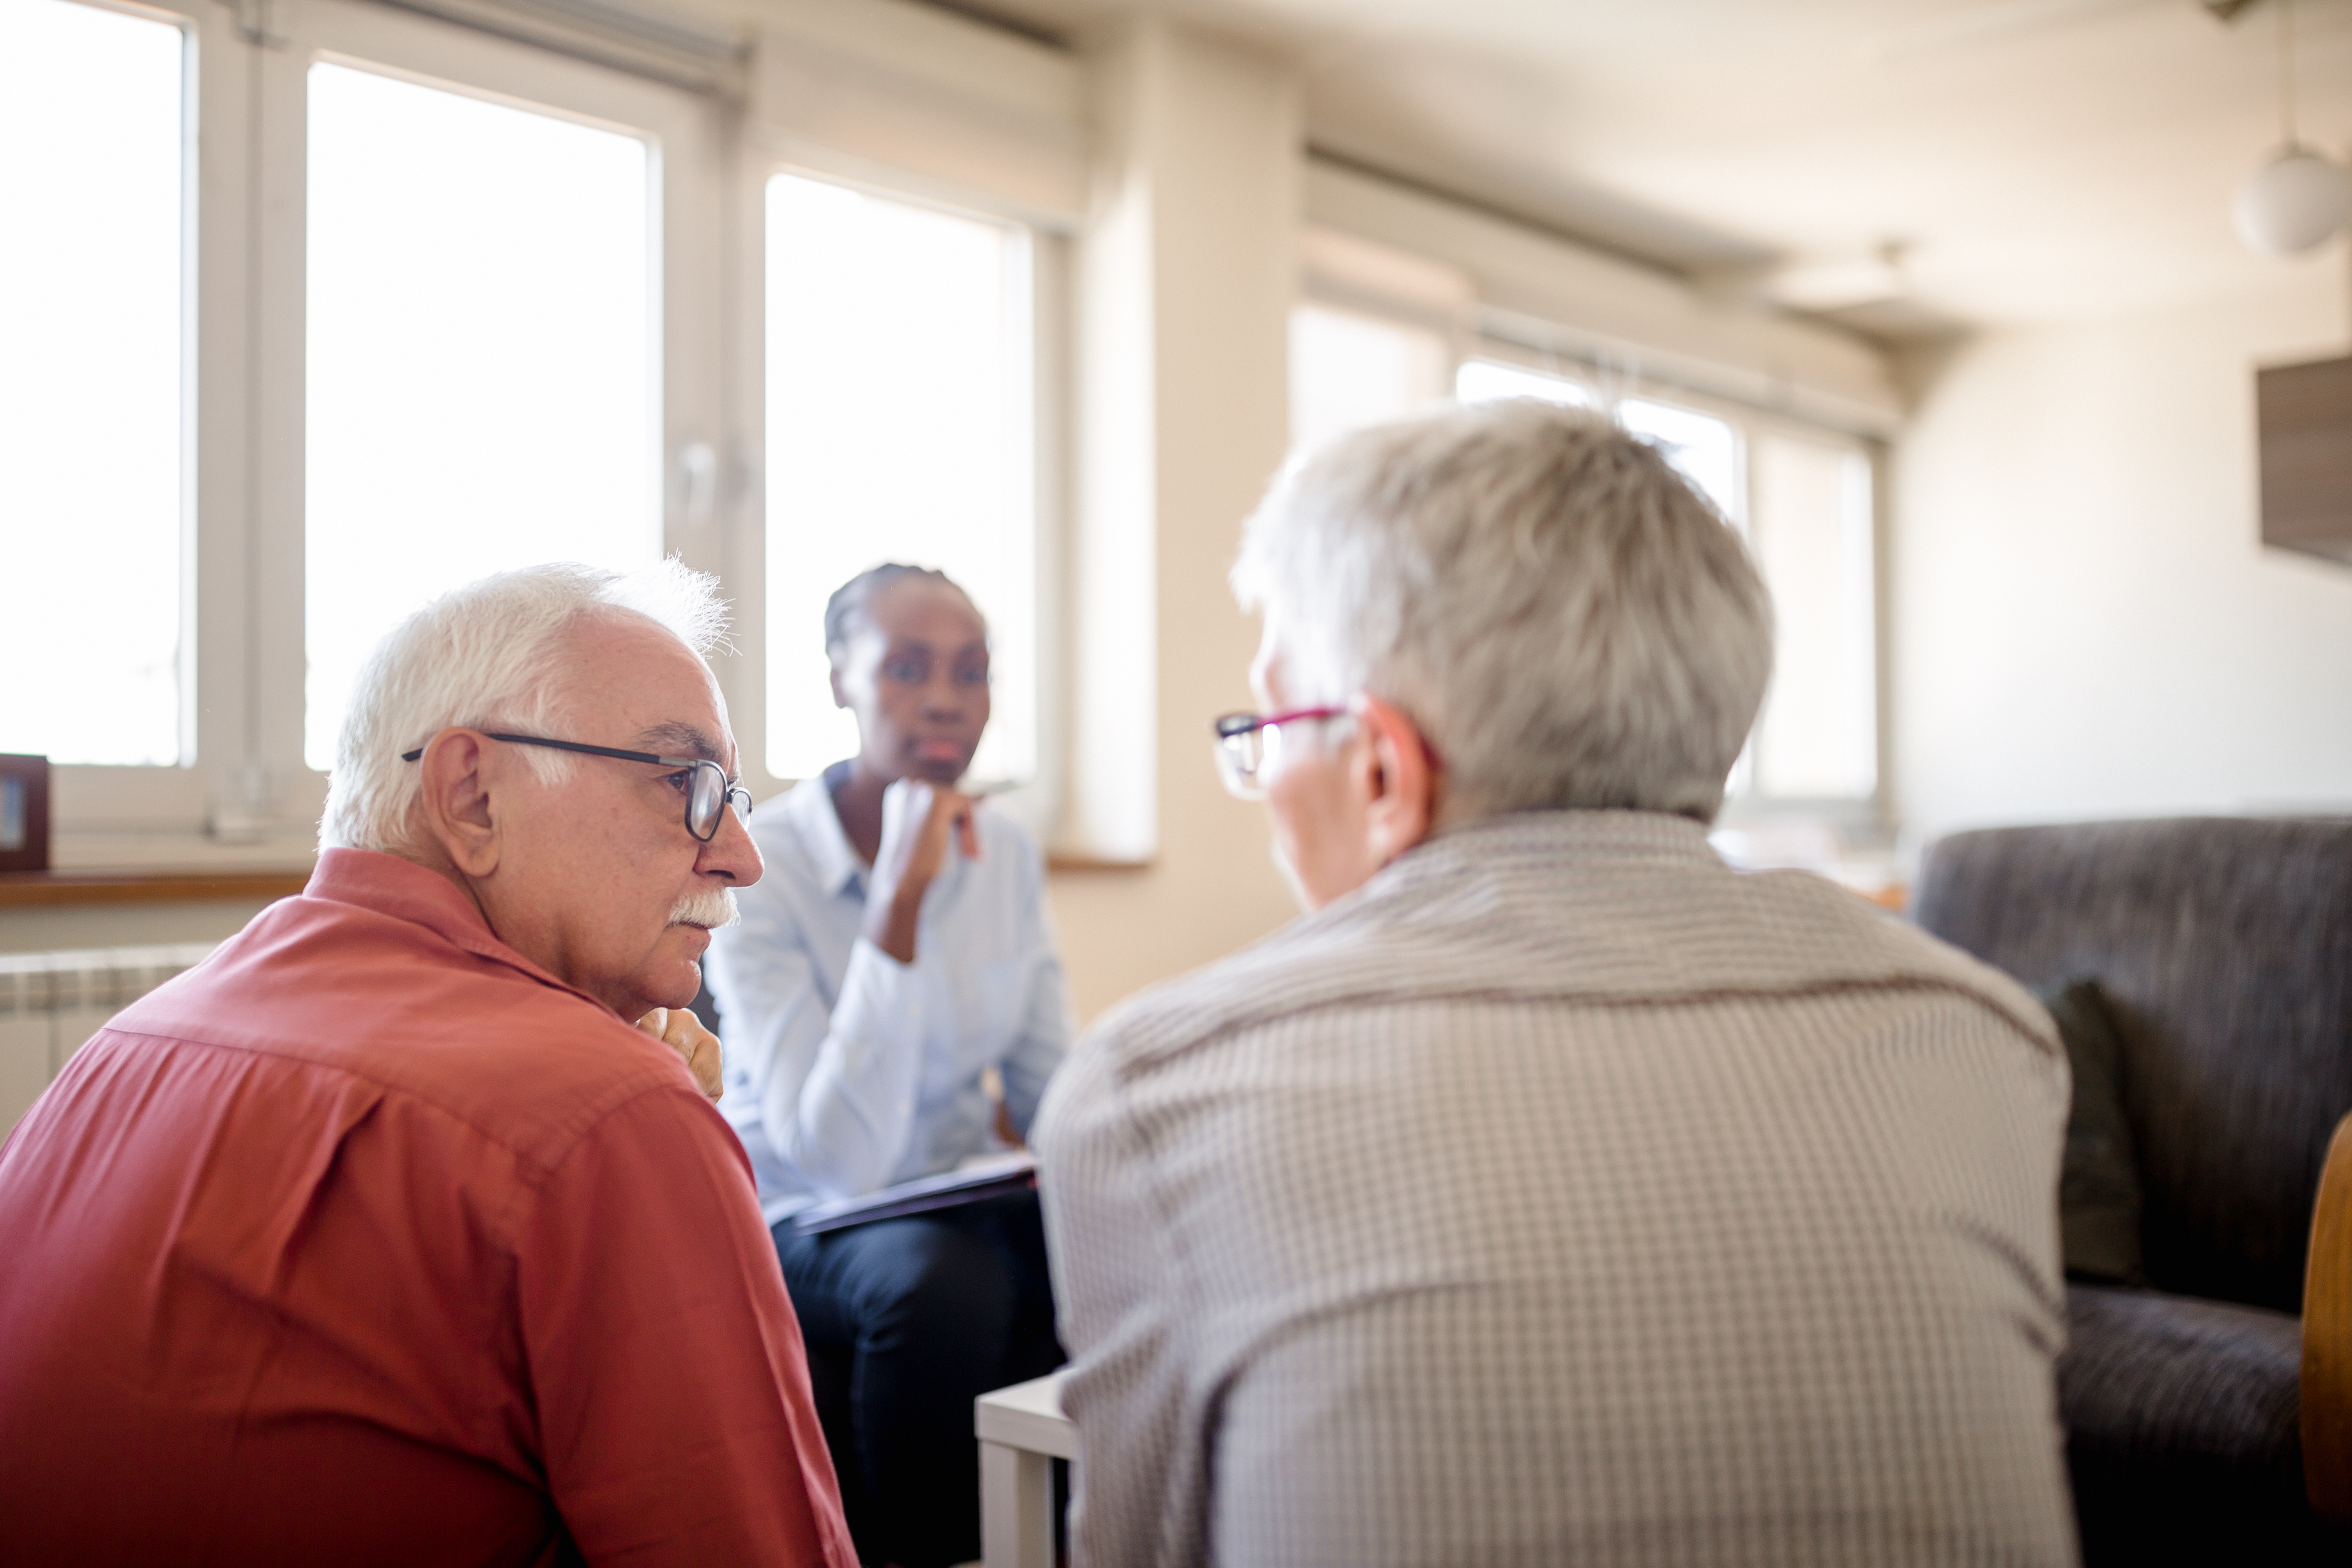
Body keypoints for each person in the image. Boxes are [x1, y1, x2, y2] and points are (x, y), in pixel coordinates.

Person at [1035, 402, 2077, 1567]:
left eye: (1269, 722)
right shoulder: (1984, 1035)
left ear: (1381, 768)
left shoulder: (1155, 1087)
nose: (1264, 774)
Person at [0, 562, 855, 1568]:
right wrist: (642, 1120)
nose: (742, 855)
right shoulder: (611, 1116)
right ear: (473, 795)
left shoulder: (117, 1054)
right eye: (686, 783)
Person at [707, 563, 1071, 1568]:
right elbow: (840, 1162)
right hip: (806, 1213)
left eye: (972, 671)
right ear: (840, 680)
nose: (948, 698)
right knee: (936, 1281)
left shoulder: (1007, 854)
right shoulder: (760, 867)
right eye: (907, 669)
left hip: (956, 1191)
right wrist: (897, 909)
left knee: (1097, 1236)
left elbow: (1050, 1092)